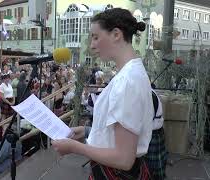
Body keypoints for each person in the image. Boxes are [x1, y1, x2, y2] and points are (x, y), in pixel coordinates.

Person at [52, 8, 153, 179]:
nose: (91, 45)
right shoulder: (129, 74)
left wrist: (75, 147)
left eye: (96, 37)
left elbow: (123, 158)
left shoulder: (127, 81)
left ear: (116, 34)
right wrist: (87, 131)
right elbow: (119, 135)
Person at [144, 86, 167, 180]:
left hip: (153, 134)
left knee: (154, 167)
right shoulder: (148, 92)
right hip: (154, 133)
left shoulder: (148, 95)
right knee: (155, 165)